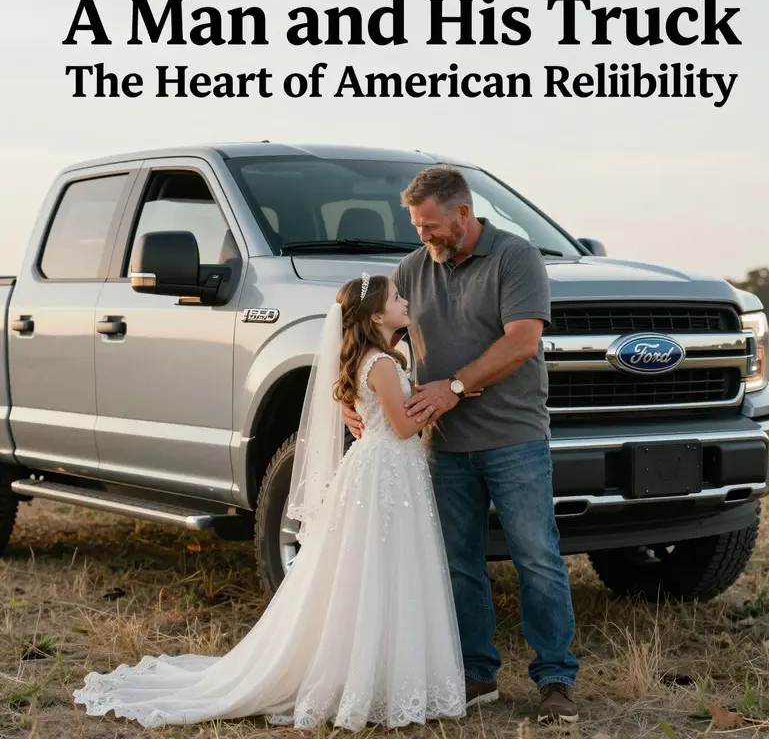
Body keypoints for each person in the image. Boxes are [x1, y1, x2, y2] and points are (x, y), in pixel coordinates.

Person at [73, 273, 469, 731]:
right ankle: (374, 678)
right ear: (376, 314)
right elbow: (401, 428)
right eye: (397, 297)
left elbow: (385, 409)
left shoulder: (378, 358)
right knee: (383, 566)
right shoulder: (380, 362)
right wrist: (445, 401)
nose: (405, 301)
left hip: (384, 470)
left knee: (374, 568)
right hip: (386, 470)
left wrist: (417, 395)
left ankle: (379, 674)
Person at [342, 165, 580, 725]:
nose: (422, 237)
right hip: (441, 445)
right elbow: (361, 329)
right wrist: (348, 397)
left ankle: (555, 678)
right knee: (458, 562)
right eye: (417, 228)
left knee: (537, 557)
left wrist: (453, 387)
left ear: (463, 215)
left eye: (429, 227)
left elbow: (523, 341)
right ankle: (476, 672)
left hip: (513, 436)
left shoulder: (515, 257)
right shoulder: (410, 269)